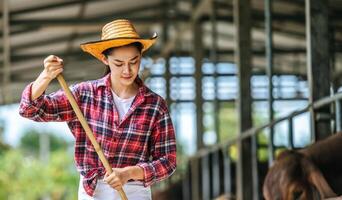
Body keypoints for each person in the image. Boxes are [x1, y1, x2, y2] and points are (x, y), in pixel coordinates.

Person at [19, 19, 177, 200]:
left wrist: (128, 173)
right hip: (93, 192)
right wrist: (46, 76)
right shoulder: (84, 94)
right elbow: (30, 109)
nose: (127, 70)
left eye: (134, 61)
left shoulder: (155, 105)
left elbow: (168, 161)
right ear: (104, 59)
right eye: (119, 63)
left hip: (134, 192)